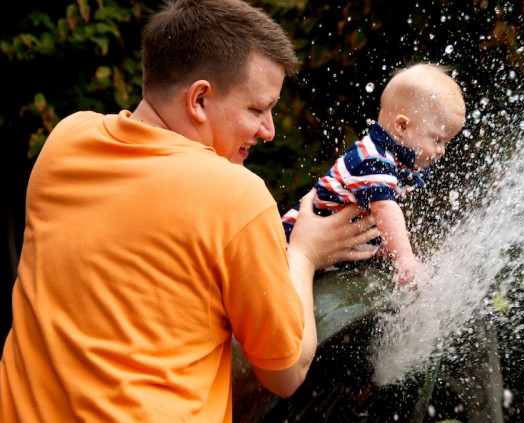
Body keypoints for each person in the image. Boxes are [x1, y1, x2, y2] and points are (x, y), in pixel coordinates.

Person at [0, 0, 379, 422]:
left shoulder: (65, 142)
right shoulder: (236, 197)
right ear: (199, 99)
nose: (269, 130)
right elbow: (285, 373)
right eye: (257, 109)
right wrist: (304, 255)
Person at [282, 63, 466, 286]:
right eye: (437, 139)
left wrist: (383, 244)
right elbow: (384, 209)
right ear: (402, 126)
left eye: (446, 142)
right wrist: (405, 259)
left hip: (319, 254)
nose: (442, 151)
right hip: (288, 248)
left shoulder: (394, 162)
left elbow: (379, 217)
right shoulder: (372, 160)